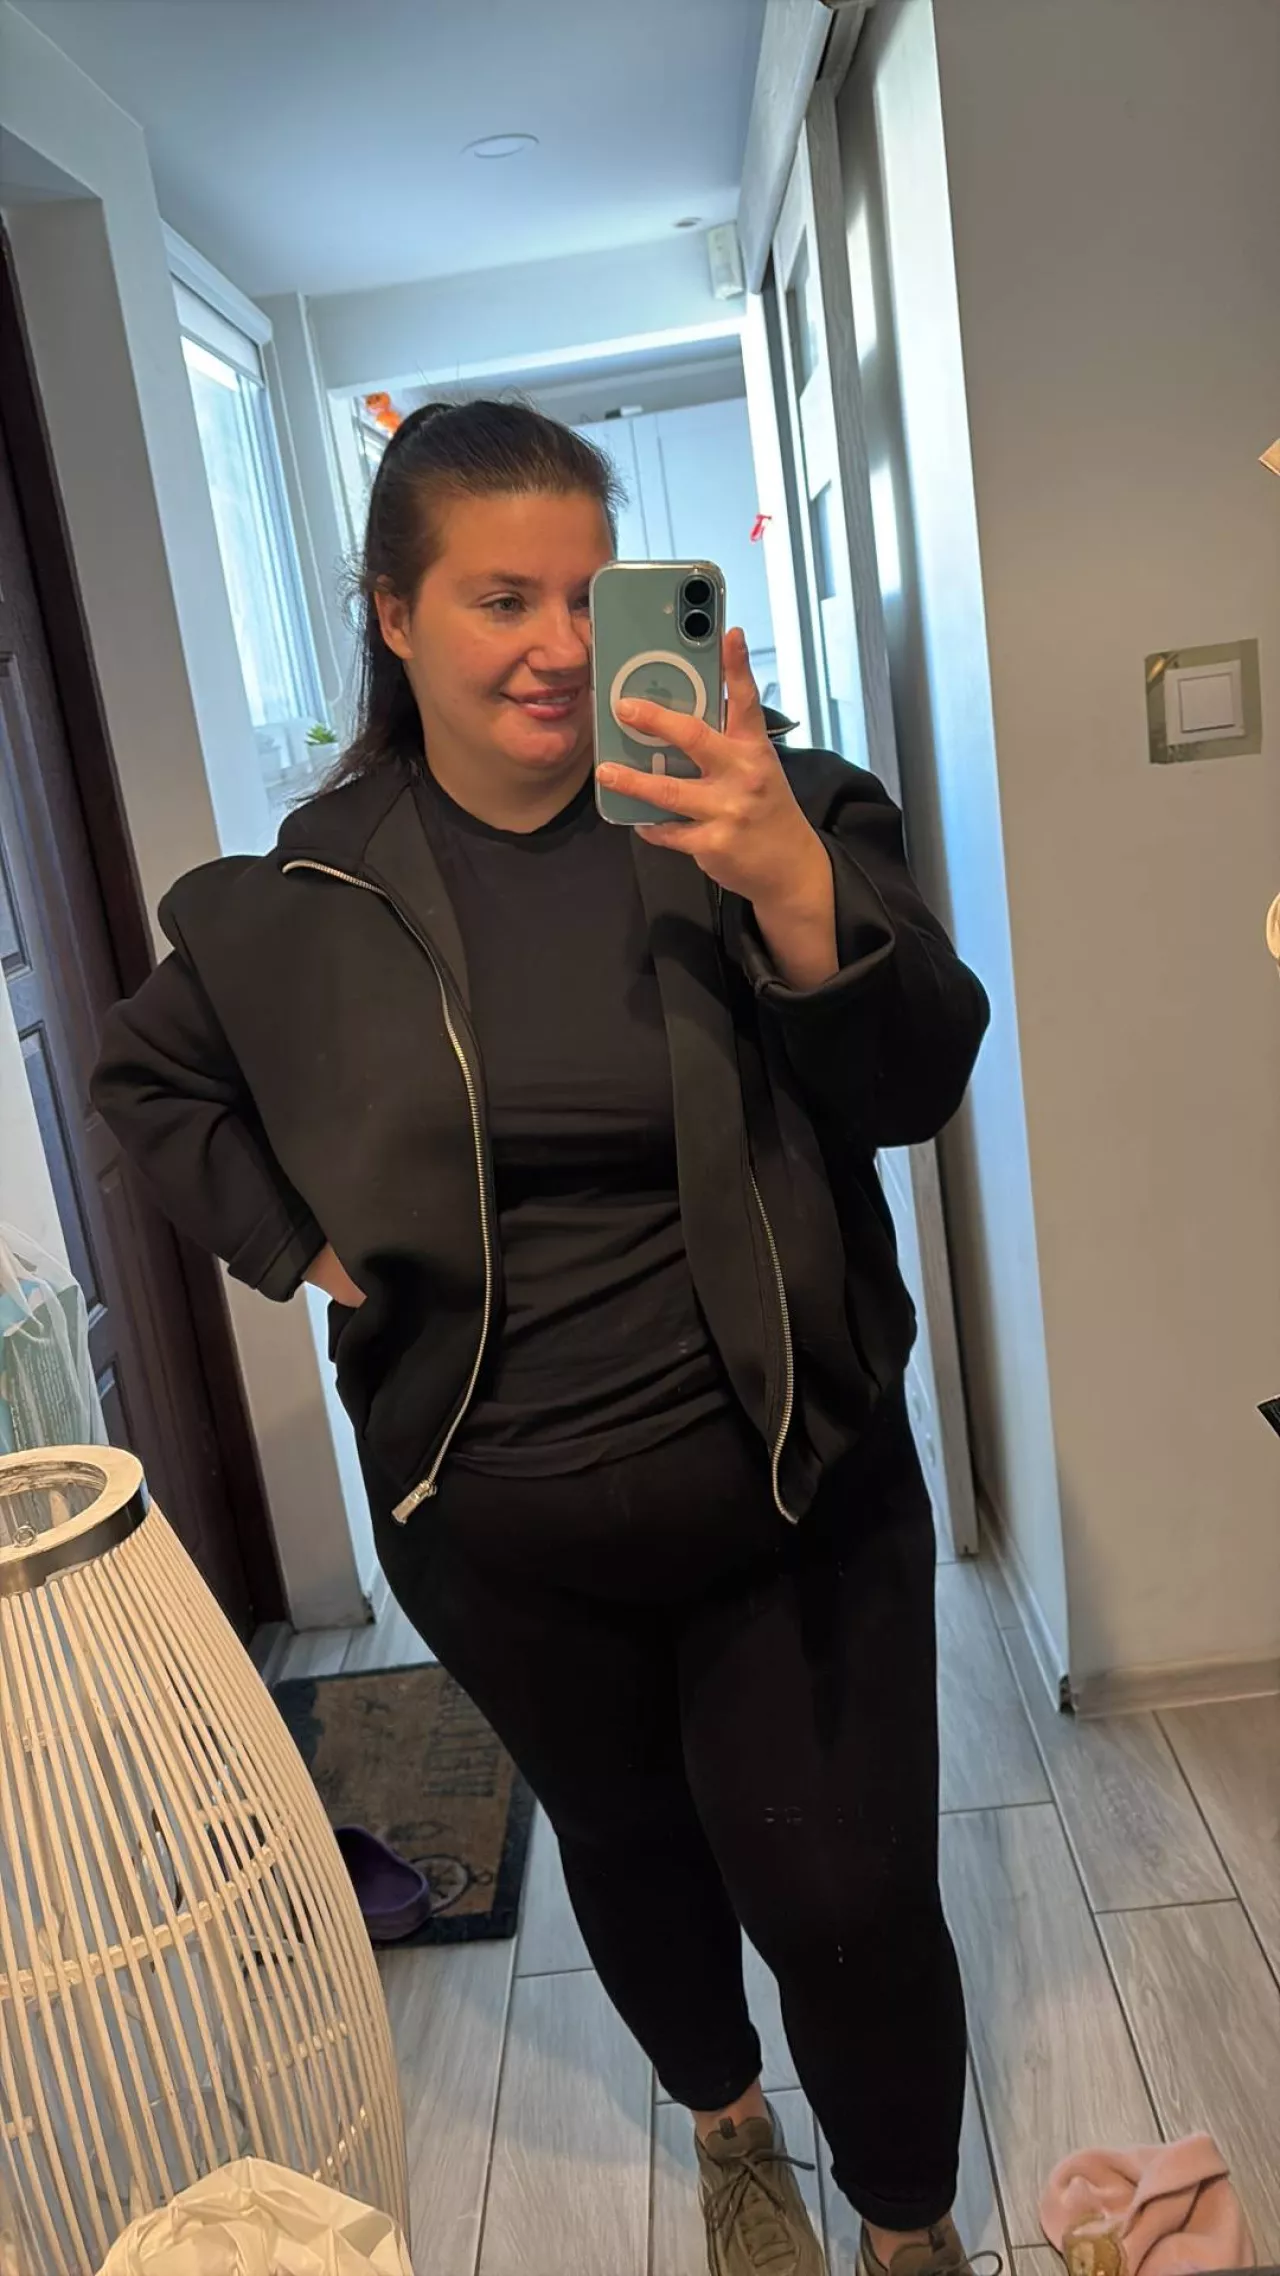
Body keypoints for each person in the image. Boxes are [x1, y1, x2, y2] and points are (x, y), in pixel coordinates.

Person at [92, 399, 990, 2276]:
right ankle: (728, 2126)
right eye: (504, 598)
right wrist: (300, 1247)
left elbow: (911, 1085)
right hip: (494, 1529)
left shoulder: (770, 806)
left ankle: (910, 2230)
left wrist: (789, 883)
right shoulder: (313, 892)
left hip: (795, 1492)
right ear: (394, 615)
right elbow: (150, 1078)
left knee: (848, 1901)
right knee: (632, 1848)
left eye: (594, 595)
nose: (563, 647)